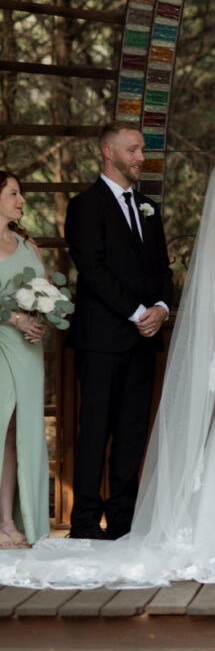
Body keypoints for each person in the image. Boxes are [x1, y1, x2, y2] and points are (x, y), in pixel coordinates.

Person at [0, 133, 215, 587]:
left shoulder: (191, 209)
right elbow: (93, 270)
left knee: (178, 428)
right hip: (126, 334)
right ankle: (92, 524)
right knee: (113, 427)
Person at [64, 121, 174, 540]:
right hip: (102, 340)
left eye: (141, 150)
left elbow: (162, 268)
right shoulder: (85, 206)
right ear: (108, 153)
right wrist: (137, 311)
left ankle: (124, 522)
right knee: (94, 430)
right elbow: (92, 270)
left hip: (144, 341)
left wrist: (161, 309)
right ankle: (85, 522)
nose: (141, 158)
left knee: (131, 433)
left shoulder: (149, 207)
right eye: (133, 150)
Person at [0, 172, 50, 549]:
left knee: (21, 432)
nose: (21, 200)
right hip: (1, 340)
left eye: (21, 194)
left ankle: (11, 520)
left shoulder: (27, 244)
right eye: (14, 193)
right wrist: (15, 318)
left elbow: (46, 292)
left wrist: (41, 321)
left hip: (28, 347)